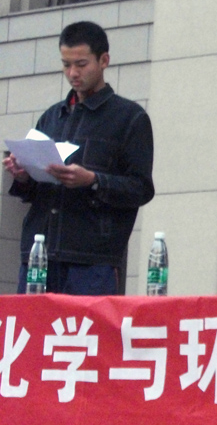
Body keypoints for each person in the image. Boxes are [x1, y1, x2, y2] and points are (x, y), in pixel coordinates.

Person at [2, 21, 154, 295]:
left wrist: (92, 180)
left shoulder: (130, 118)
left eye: (81, 64)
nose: (73, 73)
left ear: (104, 60)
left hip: (91, 259)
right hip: (40, 252)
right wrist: (24, 176)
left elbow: (141, 188)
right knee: (34, 322)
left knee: (84, 324)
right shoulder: (52, 116)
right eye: (66, 64)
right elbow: (35, 190)